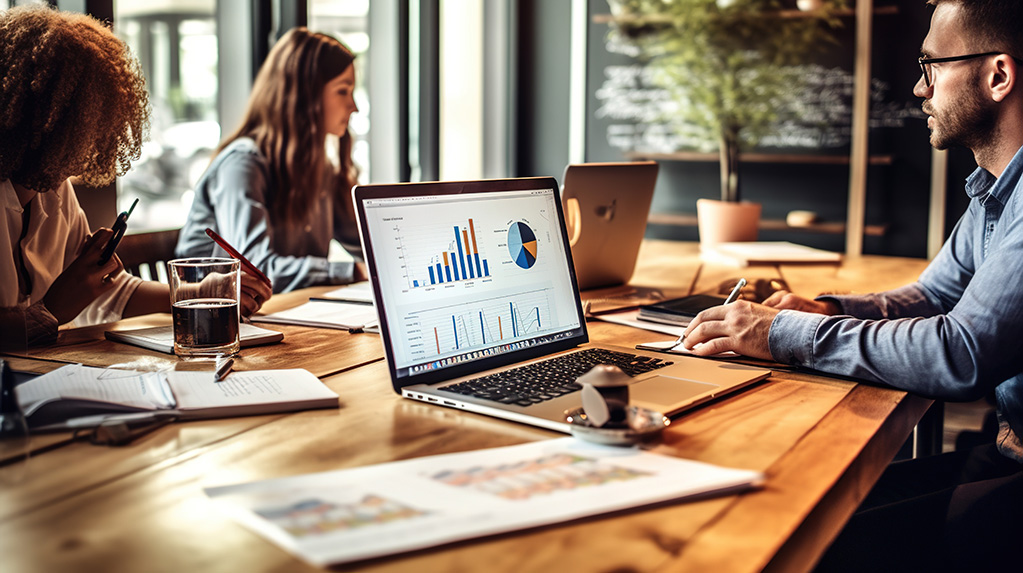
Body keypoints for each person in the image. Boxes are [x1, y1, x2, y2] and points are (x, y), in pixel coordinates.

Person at [683, 0, 1023, 569]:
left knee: (812, 544)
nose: (920, 88)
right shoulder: (997, 188)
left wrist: (785, 335)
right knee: (804, 508)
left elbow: (961, 353)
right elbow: (935, 297)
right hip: (1006, 449)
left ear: (997, 76)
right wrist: (820, 309)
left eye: (932, 66)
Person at [0, 5, 271, 350]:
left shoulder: (55, 191)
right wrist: (51, 311)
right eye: (89, 119)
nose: (98, 137)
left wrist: (199, 291)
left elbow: (111, 291)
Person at [175, 28, 367, 293]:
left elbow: (366, 244)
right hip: (217, 325)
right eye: (343, 91)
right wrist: (354, 270)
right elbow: (256, 268)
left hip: (287, 313)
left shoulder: (321, 168)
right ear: (305, 96)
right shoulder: (243, 164)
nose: (353, 106)